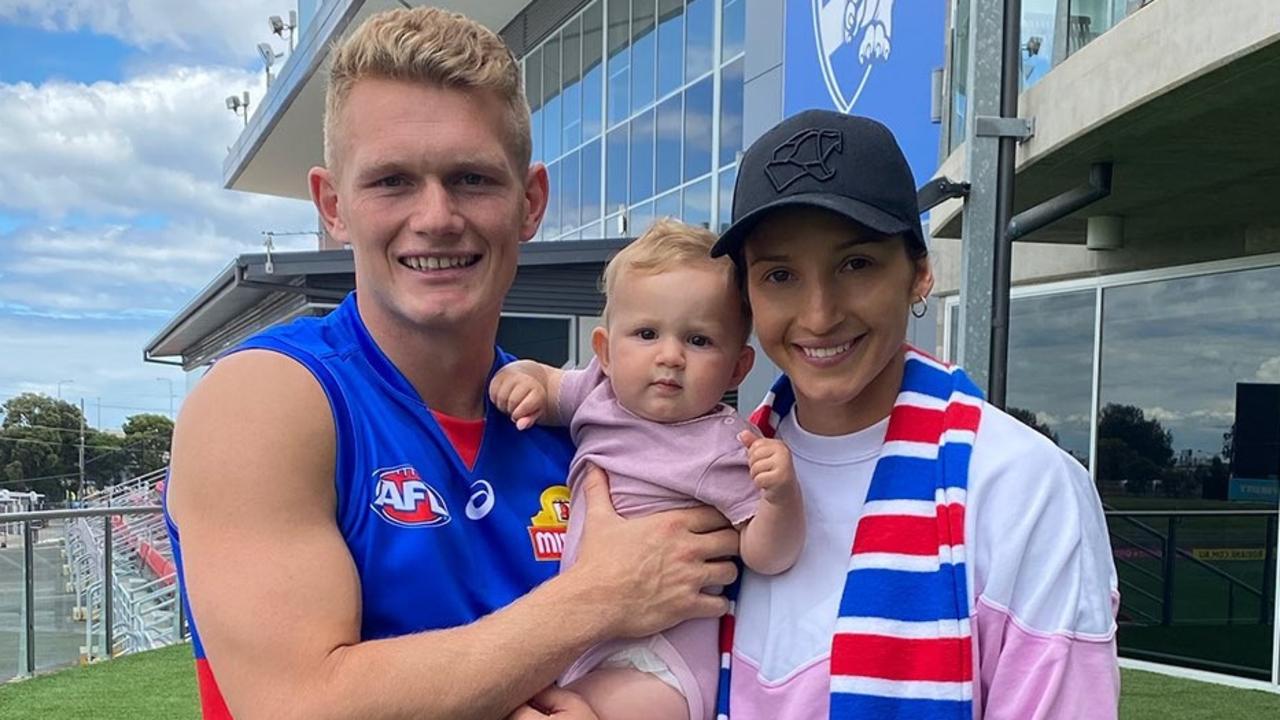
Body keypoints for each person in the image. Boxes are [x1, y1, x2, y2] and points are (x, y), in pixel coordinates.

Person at [164, 8, 739, 719]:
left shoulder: (579, 422)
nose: (436, 216)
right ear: (333, 205)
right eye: (392, 181)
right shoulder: (268, 399)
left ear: (529, 203)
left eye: (471, 179)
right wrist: (596, 597)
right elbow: (297, 702)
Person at [708, 110, 1120, 719]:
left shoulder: (1027, 485)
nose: (819, 315)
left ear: (919, 273)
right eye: (780, 275)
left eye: (857, 264)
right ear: (747, 296)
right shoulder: (711, 470)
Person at [489, 219, 804, 720]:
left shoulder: (723, 444)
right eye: (646, 333)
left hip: (656, 661)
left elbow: (769, 555)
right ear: (605, 351)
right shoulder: (598, 391)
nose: (670, 356)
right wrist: (519, 376)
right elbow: (549, 388)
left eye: (699, 341)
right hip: (585, 634)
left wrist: (781, 498)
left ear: (738, 368)